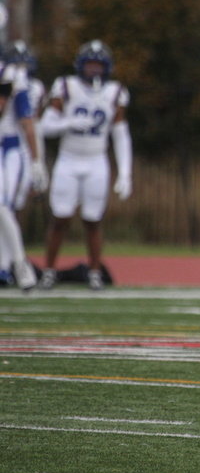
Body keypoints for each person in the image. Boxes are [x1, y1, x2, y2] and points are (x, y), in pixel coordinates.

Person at [38, 39, 133, 291]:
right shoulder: (66, 87)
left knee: (93, 219)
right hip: (68, 159)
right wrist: (67, 123)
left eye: (98, 66)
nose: (94, 71)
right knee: (60, 217)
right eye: (90, 65)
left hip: (96, 160)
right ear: (81, 66)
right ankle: (48, 270)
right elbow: (44, 127)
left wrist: (125, 172)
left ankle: (94, 272)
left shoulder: (115, 92)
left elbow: (121, 134)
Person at [0, 41, 47, 287]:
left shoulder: (9, 75)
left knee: (2, 206)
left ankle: (18, 263)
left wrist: (36, 162)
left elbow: (25, 121)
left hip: (7, 149)